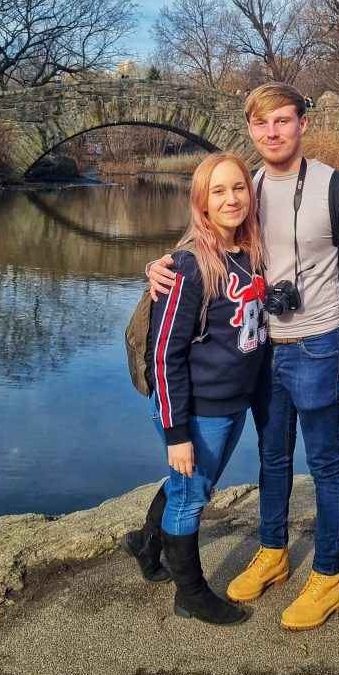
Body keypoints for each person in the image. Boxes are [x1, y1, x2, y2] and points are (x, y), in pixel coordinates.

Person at [147, 84, 339, 631]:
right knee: (272, 461)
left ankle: (327, 576)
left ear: (303, 124)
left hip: (322, 345)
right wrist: (156, 269)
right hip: (262, 351)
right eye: (260, 123)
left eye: (282, 120)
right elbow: (205, 247)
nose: (271, 132)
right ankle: (273, 552)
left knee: (325, 463)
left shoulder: (338, 189)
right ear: (250, 130)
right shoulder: (246, 187)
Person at [122, 152, 267, 627]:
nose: (231, 199)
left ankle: (145, 546)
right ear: (201, 202)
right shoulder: (188, 266)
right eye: (218, 191)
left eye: (239, 188)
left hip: (231, 404)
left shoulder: (247, 254)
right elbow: (163, 355)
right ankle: (192, 595)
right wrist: (177, 432)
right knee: (190, 497)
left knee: (193, 486)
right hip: (196, 410)